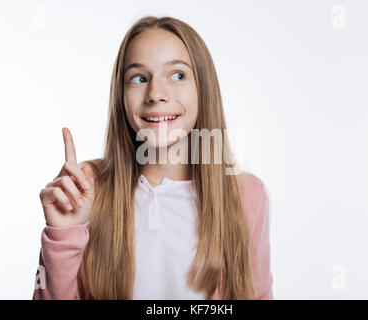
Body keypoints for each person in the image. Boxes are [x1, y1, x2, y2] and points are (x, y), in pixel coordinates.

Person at [33, 15, 273, 300]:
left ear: (203, 88)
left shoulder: (247, 195)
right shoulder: (87, 189)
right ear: (121, 95)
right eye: (139, 78)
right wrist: (63, 235)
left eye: (178, 75)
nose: (156, 94)